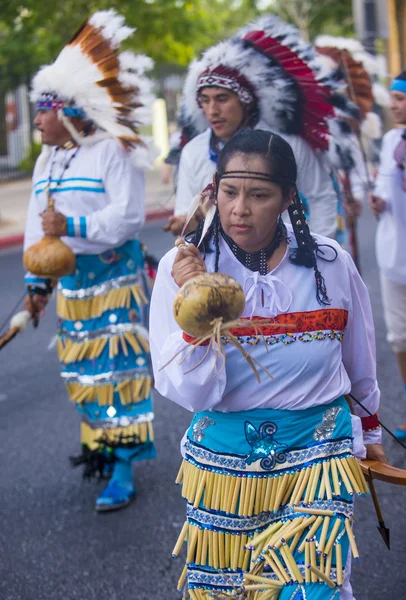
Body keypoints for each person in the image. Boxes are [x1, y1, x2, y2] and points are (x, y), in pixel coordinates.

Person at [150, 129, 385, 599]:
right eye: (230, 193)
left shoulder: (330, 263)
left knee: (313, 590)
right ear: (212, 192)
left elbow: (359, 362)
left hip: (318, 459)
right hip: (225, 470)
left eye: (259, 195)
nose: (240, 208)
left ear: (287, 199)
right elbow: (193, 393)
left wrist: (372, 435)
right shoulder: (183, 272)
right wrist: (198, 307)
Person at [23, 10, 156, 512]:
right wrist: (38, 285)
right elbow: (40, 228)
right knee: (83, 373)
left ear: (70, 110)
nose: (37, 119)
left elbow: (128, 217)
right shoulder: (46, 159)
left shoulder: (112, 152)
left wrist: (72, 228)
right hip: (72, 285)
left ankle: (122, 466)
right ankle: (102, 450)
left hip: (114, 279)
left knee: (117, 371)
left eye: (43, 110)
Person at [166, 16, 360, 240]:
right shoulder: (194, 151)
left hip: (286, 261)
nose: (212, 110)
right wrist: (186, 222)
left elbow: (320, 198)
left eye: (222, 99)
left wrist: (313, 255)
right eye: (205, 100)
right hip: (221, 270)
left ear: (246, 101)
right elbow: (185, 216)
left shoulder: (288, 144)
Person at [369, 71, 406, 439]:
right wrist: (377, 200)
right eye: (393, 98)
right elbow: (383, 188)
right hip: (394, 255)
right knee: (399, 338)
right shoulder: (392, 139)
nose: (394, 106)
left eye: (400, 99)